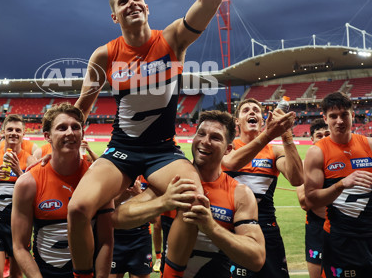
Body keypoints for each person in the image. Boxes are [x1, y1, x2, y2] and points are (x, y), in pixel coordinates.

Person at [68, 0, 224, 278]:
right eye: (124, 1)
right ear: (114, 15)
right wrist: (64, 137)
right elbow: (82, 108)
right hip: (121, 150)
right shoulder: (104, 55)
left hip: (162, 152)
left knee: (193, 199)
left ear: (147, 7)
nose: (132, 3)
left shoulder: (171, 39)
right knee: (76, 209)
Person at [112, 110, 267, 277]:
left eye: (215, 137)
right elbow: (117, 218)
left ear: (228, 149)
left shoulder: (240, 193)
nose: (205, 142)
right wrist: (164, 202)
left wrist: (211, 227)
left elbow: (256, 259)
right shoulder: (173, 182)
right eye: (201, 134)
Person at [11, 103, 113, 278]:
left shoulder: (98, 181)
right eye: (62, 128)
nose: (70, 133)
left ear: (82, 133)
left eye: (76, 127)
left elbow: (106, 242)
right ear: (47, 136)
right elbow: (20, 246)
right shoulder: (28, 183)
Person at [304, 92, 372, 277]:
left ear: (352, 115)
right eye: (333, 116)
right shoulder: (317, 152)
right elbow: (311, 200)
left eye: (344, 115)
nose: (339, 121)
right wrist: (340, 185)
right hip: (339, 240)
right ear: (325, 118)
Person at [222, 98, 303, 278]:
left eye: (256, 111)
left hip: (267, 230)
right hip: (232, 229)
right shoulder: (229, 147)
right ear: (237, 121)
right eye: (246, 110)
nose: (252, 112)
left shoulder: (274, 152)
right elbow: (231, 164)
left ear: (262, 119)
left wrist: (286, 134)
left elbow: (297, 179)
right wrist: (268, 134)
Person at [0, 114, 36, 278]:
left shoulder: (30, 160)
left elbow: (35, 196)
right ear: (3, 131)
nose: (14, 133)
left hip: (19, 224)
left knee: (16, 275)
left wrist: (18, 172)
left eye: (18, 130)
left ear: (23, 134)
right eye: (10, 129)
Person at [295, 118, 330, 278]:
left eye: (327, 134)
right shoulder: (304, 165)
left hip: (343, 226)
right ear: (312, 140)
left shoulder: (343, 161)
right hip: (316, 226)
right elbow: (304, 203)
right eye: (319, 135)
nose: (323, 138)